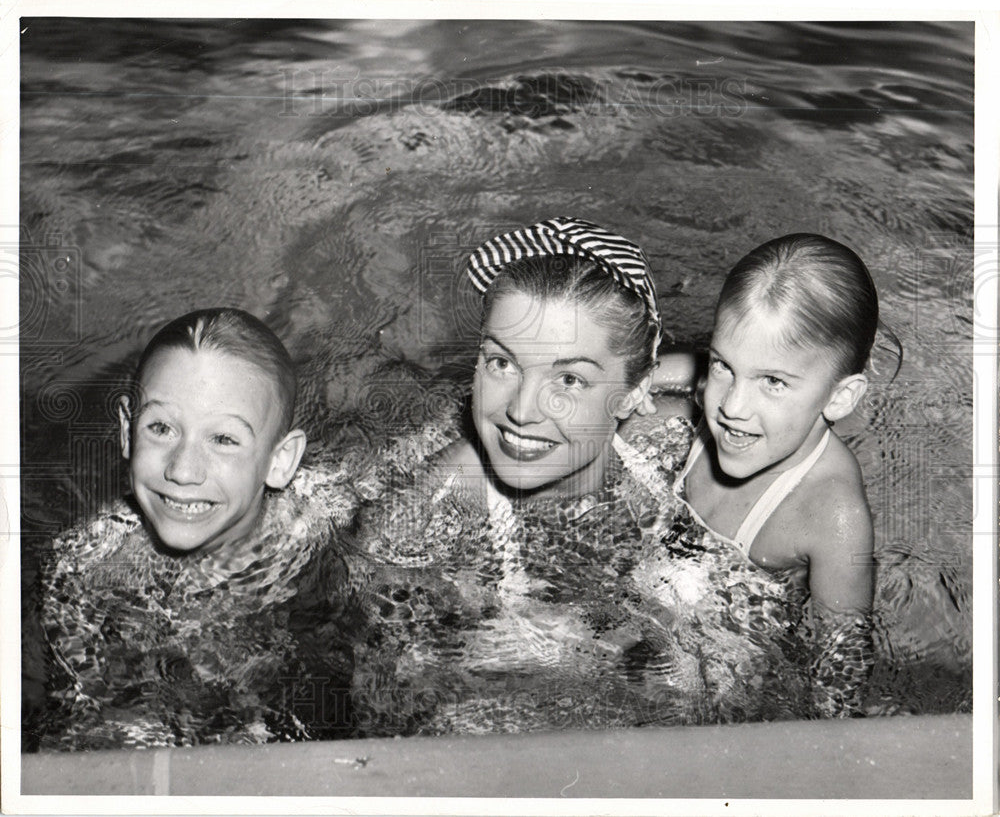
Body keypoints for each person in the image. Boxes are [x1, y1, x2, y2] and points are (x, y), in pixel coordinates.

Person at [349, 218, 799, 735]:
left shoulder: (675, 438)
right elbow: (386, 694)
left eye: (568, 378)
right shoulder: (433, 506)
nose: (521, 409)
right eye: (501, 362)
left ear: (634, 392)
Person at [37, 308, 358, 749]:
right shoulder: (83, 571)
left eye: (223, 439)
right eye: (161, 428)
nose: (184, 470)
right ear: (128, 431)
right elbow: (86, 722)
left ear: (280, 460)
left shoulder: (326, 516)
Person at [667, 233, 883, 716]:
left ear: (840, 397)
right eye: (724, 366)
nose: (731, 407)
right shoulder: (718, 401)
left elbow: (840, 666)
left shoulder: (831, 514)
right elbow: (640, 371)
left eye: (773, 382)